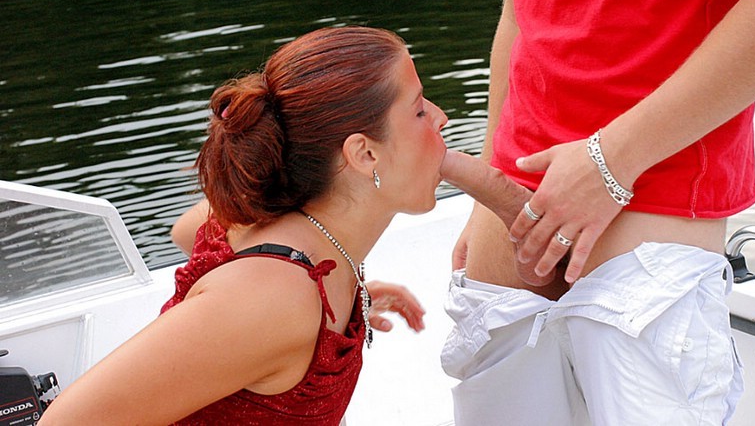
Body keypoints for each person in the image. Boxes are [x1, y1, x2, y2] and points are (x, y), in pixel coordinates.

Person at [441, 0, 755, 425]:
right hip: (517, 199)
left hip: (655, 201)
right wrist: (488, 183)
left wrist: (606, 164)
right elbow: (520, 8)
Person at [39, 25, 448, 425]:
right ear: (364, 154)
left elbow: (187, 231)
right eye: (419, 109)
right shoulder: (279, 298)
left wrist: (312, 320)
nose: (441, 118)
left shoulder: (296, 225)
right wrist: (268, 319)